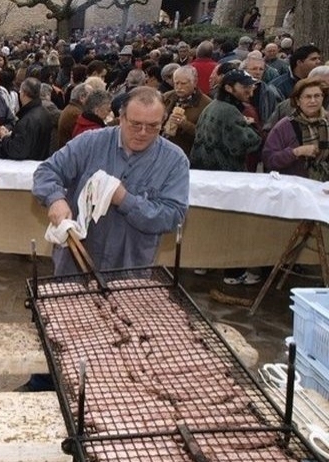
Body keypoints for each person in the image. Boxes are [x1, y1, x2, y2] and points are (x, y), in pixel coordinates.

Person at [22, 87, 189, 392]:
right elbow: (47, 171)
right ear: (119, 116)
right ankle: (44, 384)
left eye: (152, 127)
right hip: (77, 259)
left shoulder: (173, 160)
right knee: (64, 330)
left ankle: (102, 395)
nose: (143, 133)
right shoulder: (92, 142)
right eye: (135, 124)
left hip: (129, 266)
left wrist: (125, 199)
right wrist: (56, 200)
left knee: (118, 341)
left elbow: (173, 215)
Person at [190, 69, 262, 286]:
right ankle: (234, 273)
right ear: (229, 88)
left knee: (211, 223)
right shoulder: (229, 112)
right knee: (232, 226)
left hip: (207, 176)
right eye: (244, 86)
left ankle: (203, 262)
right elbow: (249, 143)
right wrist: (251, 127)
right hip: (226, 178)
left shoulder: (213, 105)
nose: (250, 91)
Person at [263, 78, 329, 181]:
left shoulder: (327, 121)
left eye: (317, 96)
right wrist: (296, 152)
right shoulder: (284, 126)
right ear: (298, 101)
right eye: (308, 97)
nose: (313, 101)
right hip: (295, 187)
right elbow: (269, 160)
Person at [0, 77, 53, 161]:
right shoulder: (45, 112)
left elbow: (18, 150)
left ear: (24, 93)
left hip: (28, 166)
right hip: (41, 161)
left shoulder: (28, 120)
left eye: (20, 91)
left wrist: (4, 138)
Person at [161, 65, 212, 157]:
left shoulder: (207, 104)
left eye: (183, 83)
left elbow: (208, 136)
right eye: (176, 83)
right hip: (163, 150)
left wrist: (185, 124)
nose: (179, 87)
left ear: (195, 82)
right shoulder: (167, 97)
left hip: (186, 154)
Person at [58, 83, 91, 148]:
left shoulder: (72, 108)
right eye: (91, 97)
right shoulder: (76, 113)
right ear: (82, 97)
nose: (93, 100)